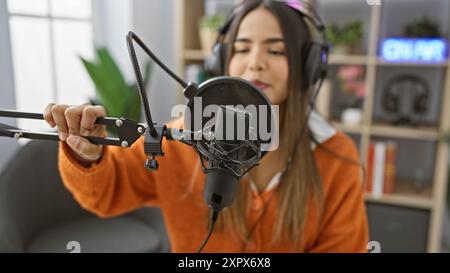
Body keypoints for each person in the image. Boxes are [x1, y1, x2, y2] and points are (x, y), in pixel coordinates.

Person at [43, 0, 368, 252]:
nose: (256, 61)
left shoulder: (336, 157)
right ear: (221, 61)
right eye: (241, 48)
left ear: (307, 67)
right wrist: (88, 155)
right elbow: (107, 191)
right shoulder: (182, 135)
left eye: (276, 50)